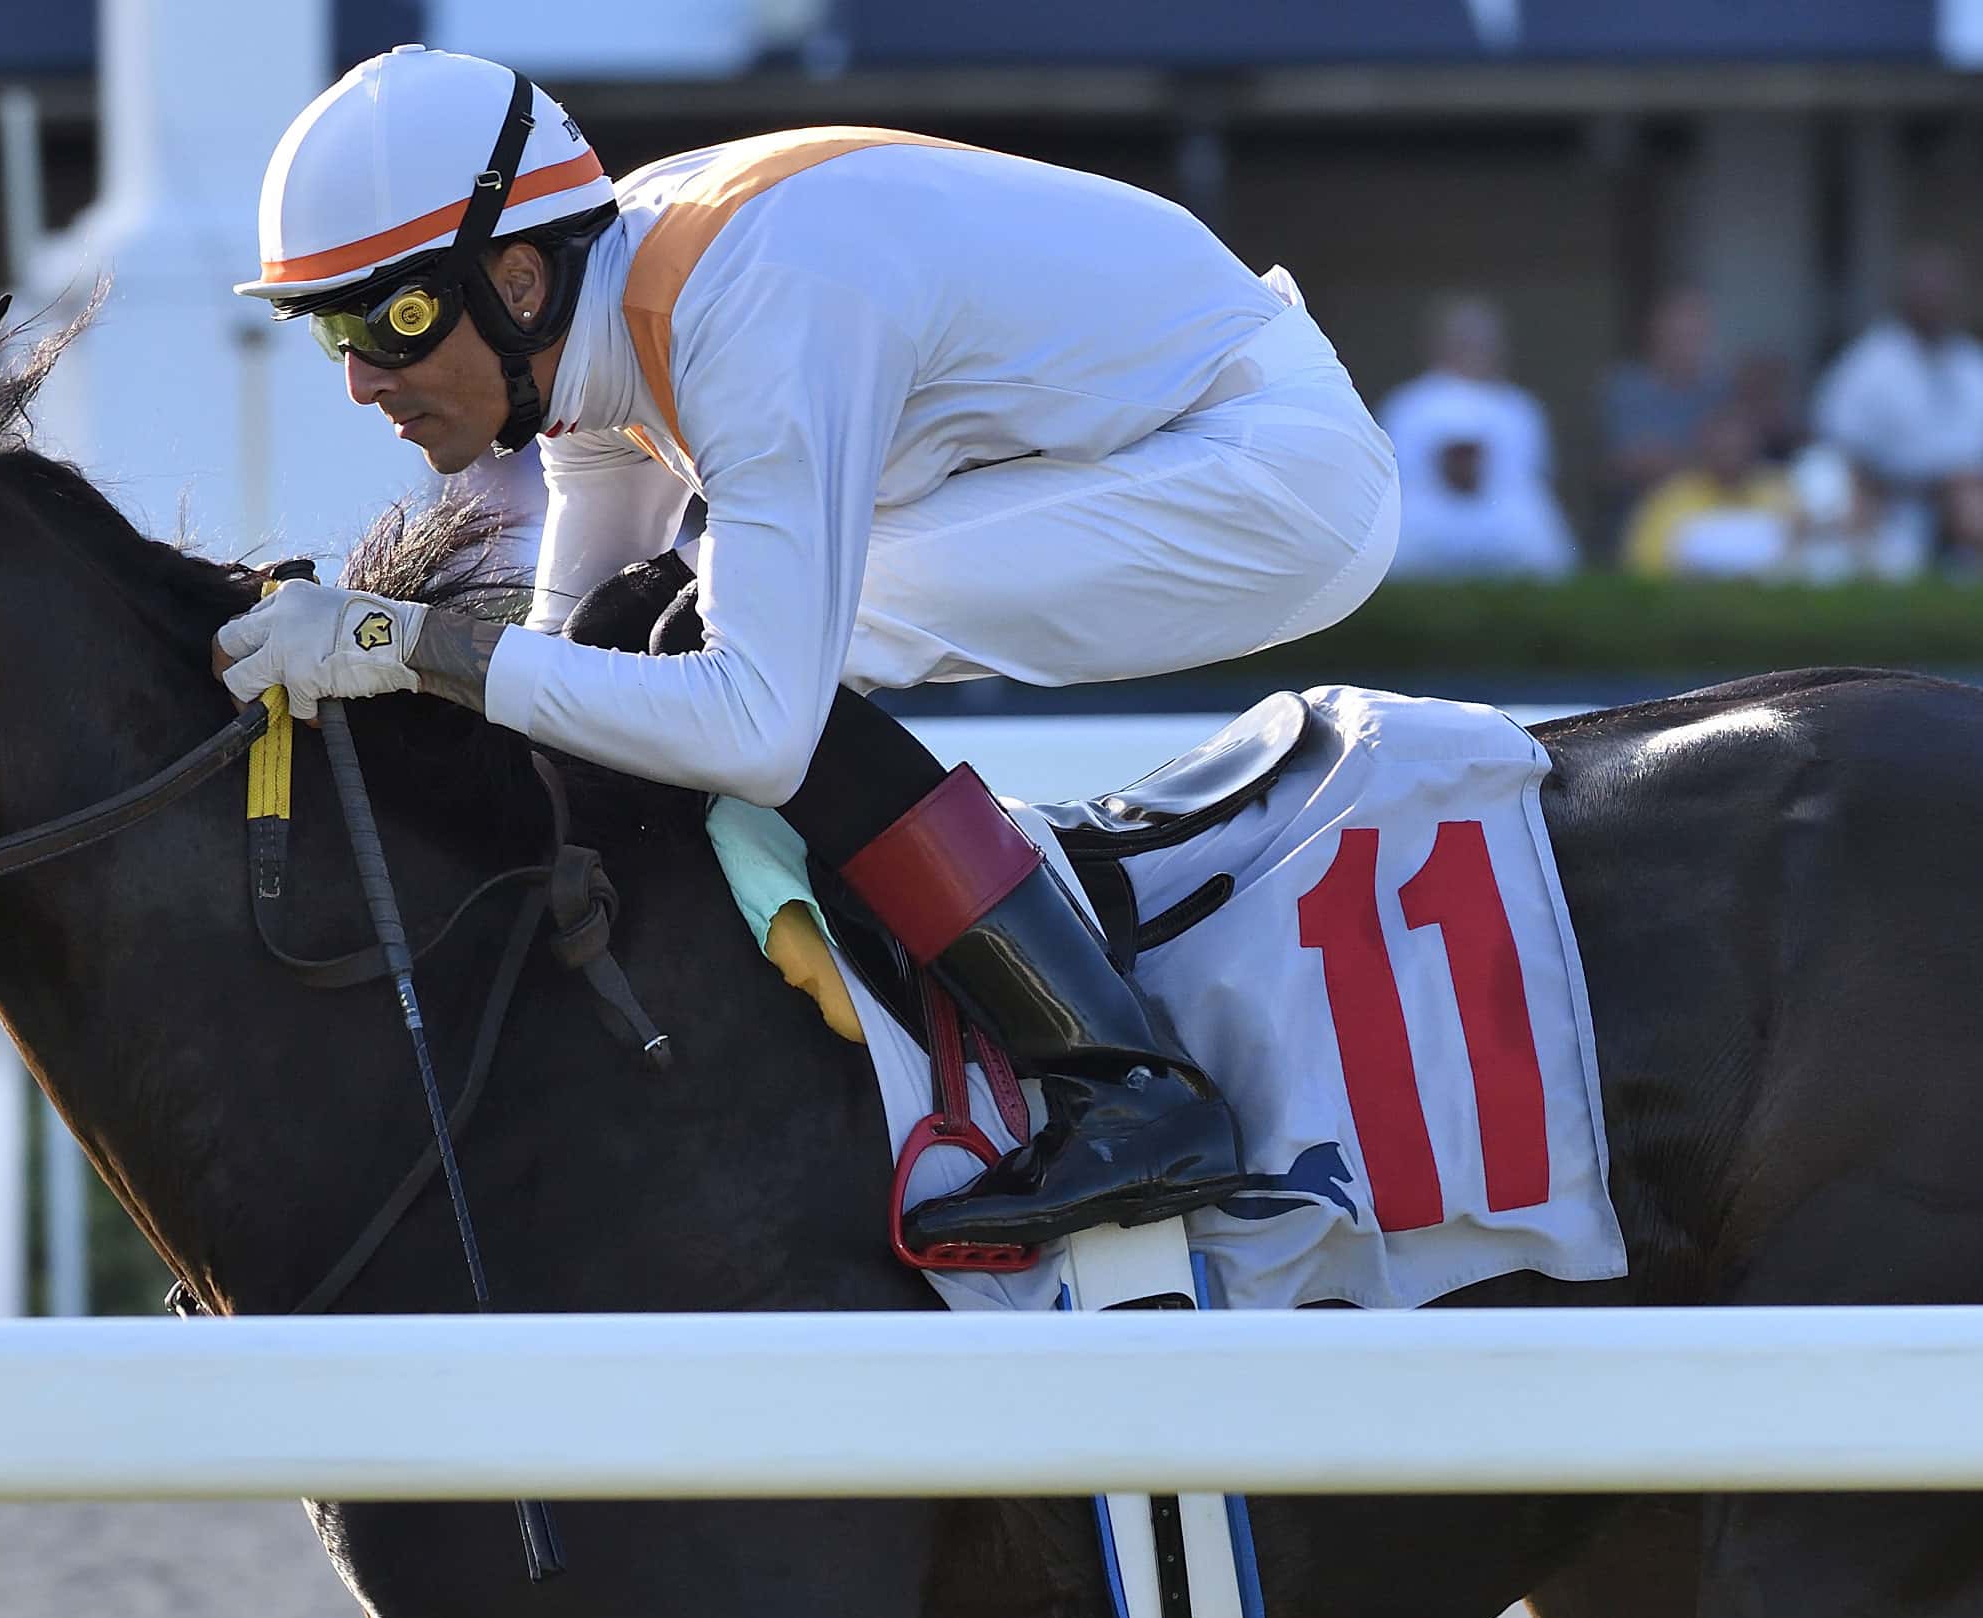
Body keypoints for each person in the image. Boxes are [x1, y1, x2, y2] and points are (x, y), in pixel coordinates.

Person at [211, 47, 1400, 1248]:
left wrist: (396, 639)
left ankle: (1134, 1087)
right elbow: (569, 669)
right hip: (1162, 434)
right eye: (332, 335)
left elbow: (757, 723)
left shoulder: (753, 302)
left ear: (518, 280)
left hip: (1272, 472)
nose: (363, 379)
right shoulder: (597, 342)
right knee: (644, 634)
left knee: (726, 641)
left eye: (393, 318)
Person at [1813, 245, 1983, 572]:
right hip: (1893, 502)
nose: (1936, 301)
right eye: (1927, 291)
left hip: (1968, 502)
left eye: (1943, 292)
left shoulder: (1972, 362)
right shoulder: (1869, 363)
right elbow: (1837, 441)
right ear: (1907, 296)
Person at [1379, 293, 1576, 576]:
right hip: (1427, 521)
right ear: (1439, 343)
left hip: (1504, 521)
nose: (1473, 348)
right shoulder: (1408, 405)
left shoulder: (1520, 408)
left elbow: (1534, 477)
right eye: (1463, 339)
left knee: (1543, 542)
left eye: (1482, 340)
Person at [1384, 384, 1576, 579]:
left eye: (1470, 454)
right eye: (1456, 454)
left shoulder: (1524, 517)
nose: (1463, 464)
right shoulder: (1410, 518)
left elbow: (1552, 569)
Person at [1597, 287, 1730, 520]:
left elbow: (1734, 457)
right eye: (1679, 332)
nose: (1688, 341)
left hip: (1709, 510)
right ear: (1656, 331)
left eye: (1696, 332)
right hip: (1640, 510)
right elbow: (1630, 462)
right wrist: (1704, 458)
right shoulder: (1626, 387)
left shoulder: (1719, 389)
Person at [1621, 407, 1797, 578]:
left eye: (1738, 448)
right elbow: (1643, 565)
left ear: (1753, 449)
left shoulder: (1779, 493)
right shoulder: (1670, 499)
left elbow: (1803, 556)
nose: (1731, 455)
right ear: (1705, 448)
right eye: (1724, 449)